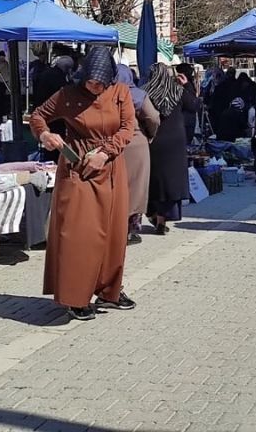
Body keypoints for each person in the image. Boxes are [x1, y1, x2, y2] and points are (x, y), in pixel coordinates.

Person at [31, 48, 137, 321]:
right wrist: (46, 134)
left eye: (101, 83)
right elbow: (38, 116)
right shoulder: (67, 95)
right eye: (91, 81)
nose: (96, 87)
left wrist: (105, 153)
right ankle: (75, 296)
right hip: (77, 167)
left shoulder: (120, 92)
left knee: (113, 233)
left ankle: (109, 291)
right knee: (79, 234)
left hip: (110, 166)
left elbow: (127, 129)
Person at [143, 62, 194, 235]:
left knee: (154, 181)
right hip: (175, 142)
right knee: (170, 181)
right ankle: (164, 218)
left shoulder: (145, 92)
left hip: (153, 140)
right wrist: (187, 84)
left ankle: (155, 215)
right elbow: (194, 106)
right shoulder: (178, 91)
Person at [117, 65, 159, 246]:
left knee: (116, 188)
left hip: (111, 146)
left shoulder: (105, 94)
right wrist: (150, 135)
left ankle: (114, 227)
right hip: (135, 144)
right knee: (136, 187)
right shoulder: (137, 95)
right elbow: (153, 118)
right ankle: (130, 229)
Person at [176, 63, 200, 142]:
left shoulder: (187, 85)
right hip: (186, 121)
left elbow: (191, 103)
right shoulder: (188, 85)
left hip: (185, 121)